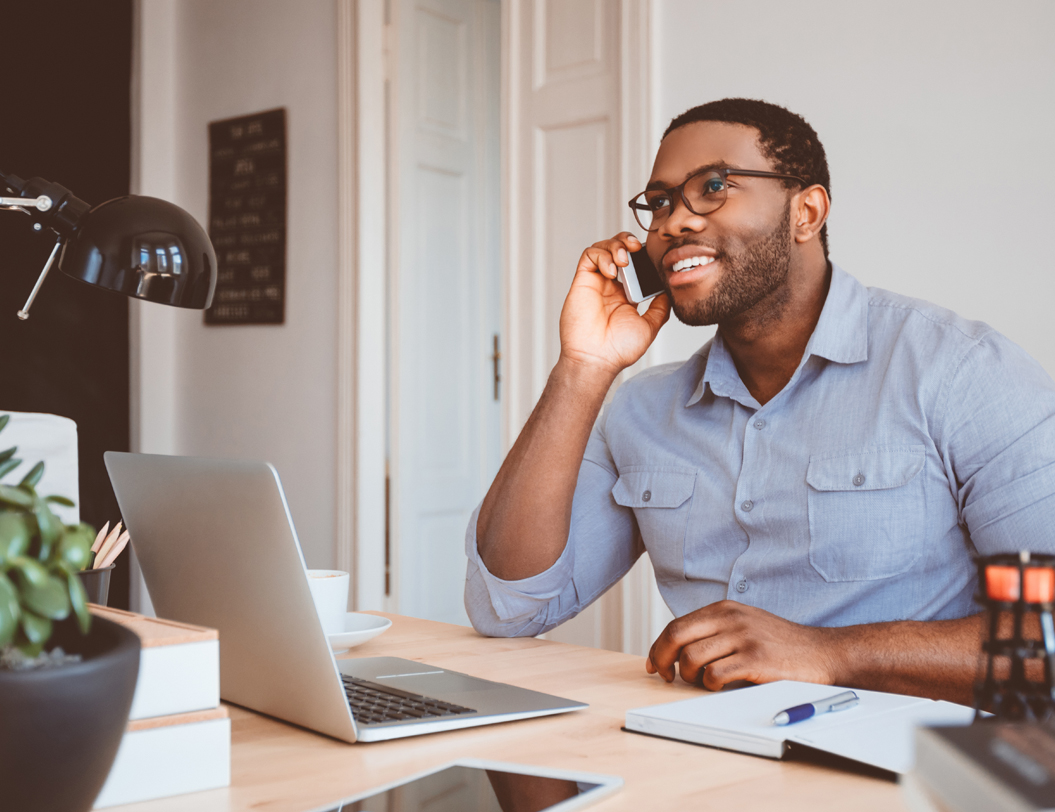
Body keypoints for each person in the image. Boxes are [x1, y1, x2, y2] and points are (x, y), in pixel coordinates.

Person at [464, 98, 1055, 704]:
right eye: (660, 202)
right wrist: (582, 369)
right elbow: (507, 607)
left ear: (806, 211)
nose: (673, 223)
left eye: (714, 186)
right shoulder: (640, 410)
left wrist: (831, 653)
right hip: (697, 755)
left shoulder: (960, 371)